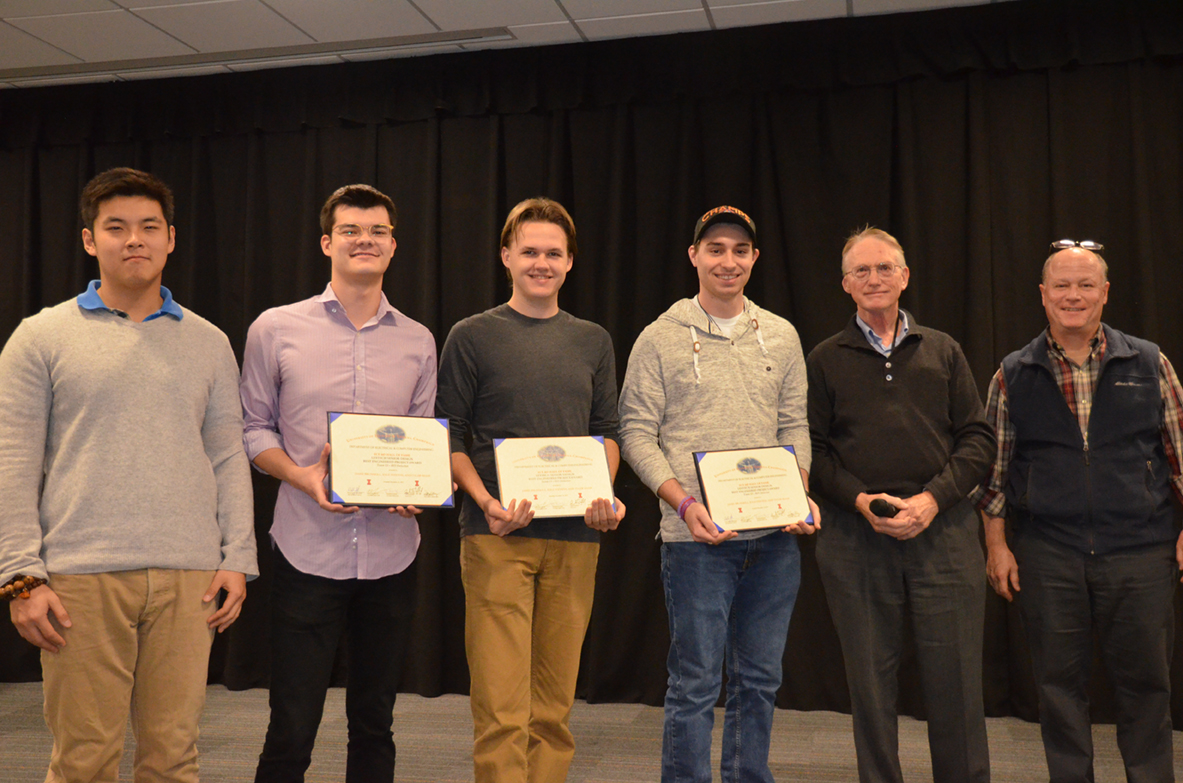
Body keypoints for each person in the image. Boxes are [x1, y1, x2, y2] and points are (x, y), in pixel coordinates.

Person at [0, 167, 257, 783]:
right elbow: (13, 461)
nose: (133, 240)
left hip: (189, 575)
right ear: (90, 241)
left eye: (148, 227)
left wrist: (237, 556)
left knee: (173, 756)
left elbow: (227, 453)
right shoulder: (39, 337)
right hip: (79, 578)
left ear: (171, 238)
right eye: (115, 228)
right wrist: (20, 576)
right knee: (84, 758)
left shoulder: (210, 341)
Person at [240, 184, 437, 782]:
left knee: (375, 722)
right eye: (351, 230)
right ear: (327, 243)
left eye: (377, 231)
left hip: (392, 559)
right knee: (292, 722)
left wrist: (416, 490)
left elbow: (423, 437)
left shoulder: (419, 339)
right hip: (306, 552)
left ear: (393, 246)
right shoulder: (275, 328)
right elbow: (252, 429)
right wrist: (299, 477)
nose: (364, 240)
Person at [618, 205, 819, 783]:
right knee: (695, 683)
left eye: (739, 251)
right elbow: (636, 431)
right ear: (694, 256)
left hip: (775, 541)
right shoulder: (659, 337)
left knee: (761, 680)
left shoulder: (780, 334)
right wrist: (684, 503)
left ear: (754, 259)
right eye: (715, 249)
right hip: (694, 539)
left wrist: (798, 493)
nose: (727, 261)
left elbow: (794, 425)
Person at [972, 240, 1183, 783]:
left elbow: (1182, 456)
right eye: (1061, 286)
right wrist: (997, 546)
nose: (1073, 295)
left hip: (1141, 553)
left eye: (1085, 285)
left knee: (1146, 689)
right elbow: (993, 476)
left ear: (1105, 294)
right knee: (1059, 692)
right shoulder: (1011, 374)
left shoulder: (1150, 361)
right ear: (1043, 296)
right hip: (1049, 556)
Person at [435, 197, 625, 783]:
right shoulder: (472, 336)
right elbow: (451, 436)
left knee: (553, 709)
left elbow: (608, 433)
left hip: (575, 538)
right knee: (500, 709)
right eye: (529, 251)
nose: (541, 263)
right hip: (496, 536)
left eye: (553, 253)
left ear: (570, 263)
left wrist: (603, 492)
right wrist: (487, 503)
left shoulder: (593, 340)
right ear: (506, 256)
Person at [806, 227, 994, 783]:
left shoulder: (944, 349)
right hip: (855, 539)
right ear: (845, 285)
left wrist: (933, 501)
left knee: (957, 685)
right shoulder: (824, 359)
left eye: (884, 268)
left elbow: (978, 439)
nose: (874, 279)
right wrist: (861, 500)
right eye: (861, 271)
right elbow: (811, 452)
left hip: (946, 536)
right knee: (870, 686)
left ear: (904, 277)